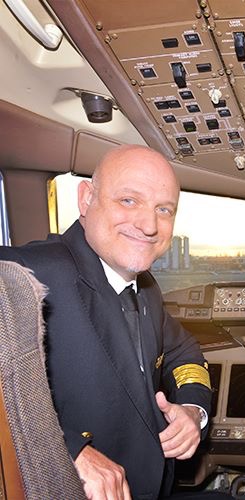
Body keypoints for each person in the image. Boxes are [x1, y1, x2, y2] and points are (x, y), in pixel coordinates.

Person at [0, 145, 227, 499]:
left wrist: (192, 410)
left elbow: (183, 352)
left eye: (163, 209)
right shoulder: (26, 275)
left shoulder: (144, 286)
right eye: (128, 200)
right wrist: (67, 450)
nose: (149, 226)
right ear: (86, 199)